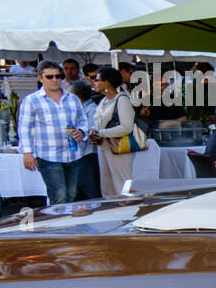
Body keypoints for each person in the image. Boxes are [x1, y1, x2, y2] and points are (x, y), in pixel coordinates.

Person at [16, 61, 94, 205]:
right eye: (49, 77)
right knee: (59, 195)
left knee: (71, 195)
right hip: (48, 155)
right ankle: (58, 225)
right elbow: (24, 128)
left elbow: (83, 121)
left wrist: (82, 132)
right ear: (40, 78)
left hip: (72, 154)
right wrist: (27, 152)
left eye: (58, 76)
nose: (54, 80)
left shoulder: (72, 99)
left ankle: (66, 224)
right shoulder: (32, 101)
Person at [88, 66, 139, 196]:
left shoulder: (122, 100)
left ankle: (129, 211)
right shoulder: (103, 101)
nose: (94, 82)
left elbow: (126, 127)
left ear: (107, 82)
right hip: (103, 147)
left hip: (119, 147)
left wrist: (101, 133)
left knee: (122, 185)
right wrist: (93, 131)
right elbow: (98, 123)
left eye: (97, 79)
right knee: (107, 186)